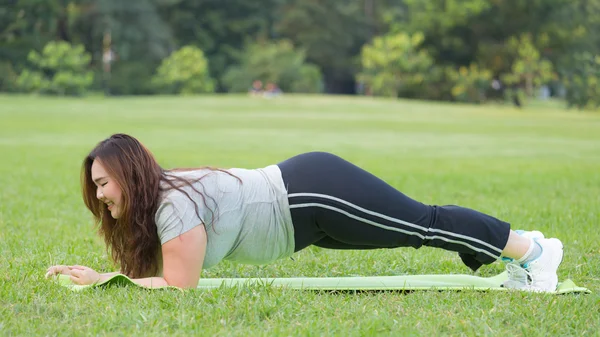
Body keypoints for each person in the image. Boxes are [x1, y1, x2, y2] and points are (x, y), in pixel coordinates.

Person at [45, 134, 564, 292]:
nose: (101, 197)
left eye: (103, 183)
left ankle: (534, 250)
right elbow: (154, 274)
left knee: (421, 223)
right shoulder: (164, 202)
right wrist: (102, 275)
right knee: (415, 231)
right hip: (305, 220)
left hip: (311, 195)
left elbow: (179, 285)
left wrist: (103, 281)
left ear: (129, 173)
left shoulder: (174, 203)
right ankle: (522, 249)